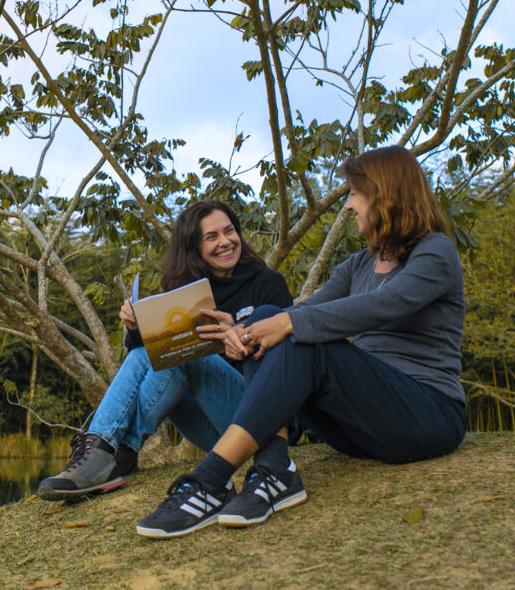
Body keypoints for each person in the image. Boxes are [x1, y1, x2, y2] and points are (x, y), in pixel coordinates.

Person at [135, 146, 467, 538]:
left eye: (354, 194)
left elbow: (383, 305)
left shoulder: (435, 252)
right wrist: (240, 326)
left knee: (290, 326)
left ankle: (211, 479)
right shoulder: (359, 264)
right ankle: (275, 468)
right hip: (360, 429)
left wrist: (285, 322)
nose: (347, 207)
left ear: (385, 195)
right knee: (265, 317)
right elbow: (301, 312)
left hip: (427, 416)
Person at [37, 200, 292, 500]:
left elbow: (287, 358)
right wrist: (135, 327)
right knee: (159, 354)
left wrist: (238, 331)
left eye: (229, 231)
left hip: (260, 417)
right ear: (193, 247)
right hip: (211, 429)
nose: (225, 242)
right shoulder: (186, 292)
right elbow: (145, 357)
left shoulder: (267, 283)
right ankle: (109, 453)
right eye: (212, 237)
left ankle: (114, 450)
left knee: (180, 355)